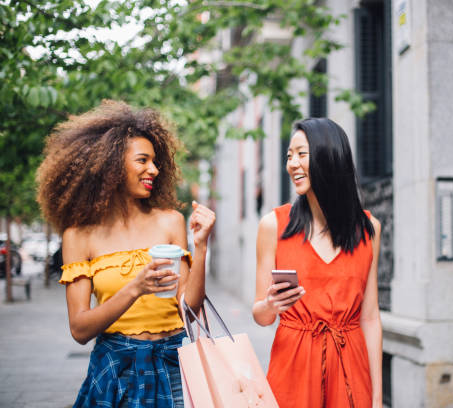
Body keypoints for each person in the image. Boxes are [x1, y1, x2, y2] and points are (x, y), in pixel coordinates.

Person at [36, 100, 215, 408]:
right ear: (111, 164)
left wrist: (200, 246)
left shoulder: (170, 220)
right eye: (142, 160)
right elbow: (80, 329)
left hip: (173, 362)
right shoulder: (79, 235)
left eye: (156, 161)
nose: (154, 170)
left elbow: (191, 312)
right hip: (114, 368)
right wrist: (136, 287)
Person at [252, 118, 383, 408]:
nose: (292, 164)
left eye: (301, 153)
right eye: (289, 155)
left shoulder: (369, 228)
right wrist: (272, 305)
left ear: (329, 156)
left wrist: (376, 399)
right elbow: (261, 316)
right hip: (292, 370)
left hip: (351, 368)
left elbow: (371, 318)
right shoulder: (273, 225)